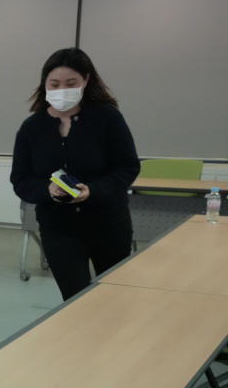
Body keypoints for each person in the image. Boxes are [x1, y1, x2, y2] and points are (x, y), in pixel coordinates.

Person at [10, 47, 139, 301]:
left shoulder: (107, 118)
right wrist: (46, 189)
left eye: (70, 83)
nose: (61, 90)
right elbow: (21, 180)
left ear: (86, 81)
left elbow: (128, 167)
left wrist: (94, 191)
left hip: (108, 224)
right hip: (59, 227)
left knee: (114, 297)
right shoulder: (32, 128)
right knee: (75, 298)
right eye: (54, 84)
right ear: (44, 84)